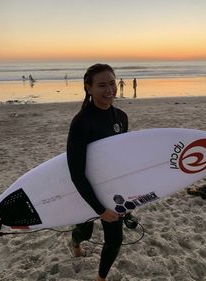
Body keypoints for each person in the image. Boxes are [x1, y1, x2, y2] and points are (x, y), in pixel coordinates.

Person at [67, 64, 128, 281]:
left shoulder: (121, 117)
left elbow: (120, 159)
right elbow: (76, 173)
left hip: (112, 188)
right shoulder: (81, 122)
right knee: (85, 231)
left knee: (115, 239)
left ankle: (100, 278)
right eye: (101, 85)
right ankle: (75, 242)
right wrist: (100, 210)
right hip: (87, 188)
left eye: (112, 83)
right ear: (88, 88)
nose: (109, 89)